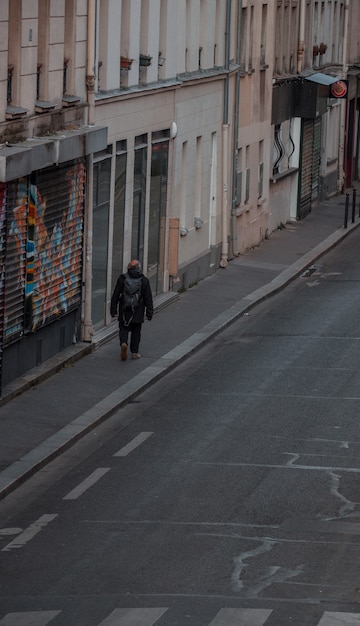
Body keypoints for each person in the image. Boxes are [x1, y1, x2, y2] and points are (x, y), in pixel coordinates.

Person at [110, 260, 153, 361]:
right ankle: (134, 352)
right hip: (138, 310)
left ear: (128, 268)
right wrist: (149, 313)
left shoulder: (122, 278)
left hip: (124, 309)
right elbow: (148, 298)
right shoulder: (144, 280)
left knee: (123, 328)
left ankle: (124, 343)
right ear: (139, 268)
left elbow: (116, 294)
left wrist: (113, 310)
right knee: (136, 331)